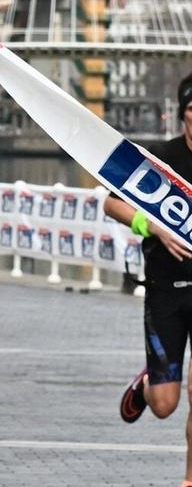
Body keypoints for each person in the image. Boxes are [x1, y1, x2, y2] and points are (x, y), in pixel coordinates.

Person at [113, 73, 192, 487]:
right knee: (165, 404)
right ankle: (147, 385)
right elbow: (111, 202)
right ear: (183, 115)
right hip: (165, 291)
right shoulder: (161, 159)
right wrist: (154, 226)